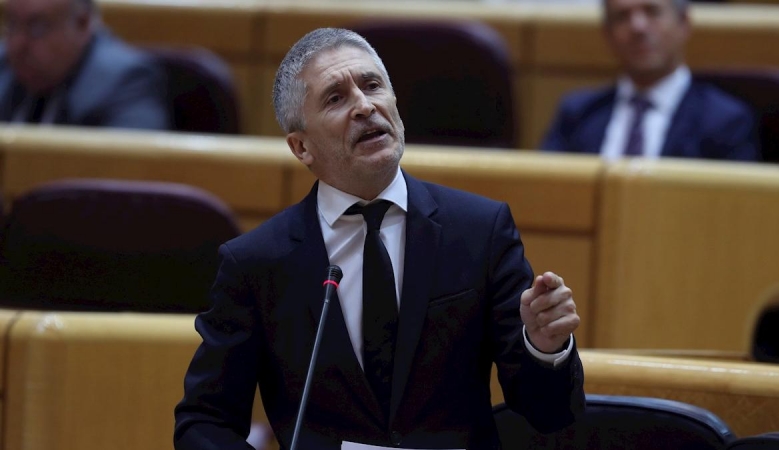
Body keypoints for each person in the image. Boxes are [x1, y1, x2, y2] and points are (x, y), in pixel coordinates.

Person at [174, 28, 585, 450]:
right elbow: (204, 419)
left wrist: (544, 347)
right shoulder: (257, 263)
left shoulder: (480, 231)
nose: (365, 106)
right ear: (301, 147)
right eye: (336, 98)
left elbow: (549, 414)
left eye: (372, 86)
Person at [540, 0, 760, 161]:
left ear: (684, 23)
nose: (638, 27)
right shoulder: (577, 114)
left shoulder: (726, 122)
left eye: (652, 12)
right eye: (622, 17)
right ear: (607, 34)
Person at [0, 0, 169, 129]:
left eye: (38, 27)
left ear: (82, 23)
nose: (17, 43)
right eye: (12, 24)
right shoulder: (4, 64)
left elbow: (127, 166)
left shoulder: (127, 81)